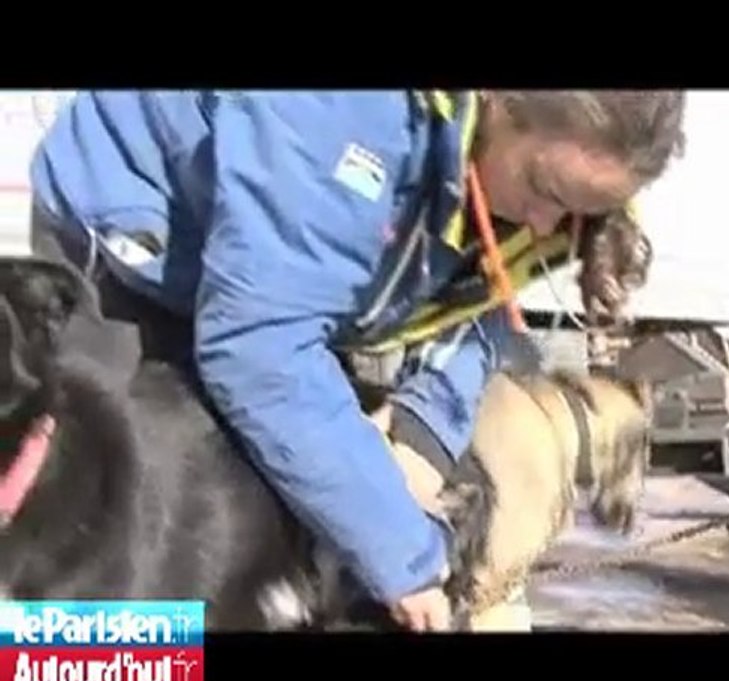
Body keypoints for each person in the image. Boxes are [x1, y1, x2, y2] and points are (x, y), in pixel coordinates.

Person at [26, 90, 686, 631]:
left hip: (276, 291)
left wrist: (420, 446)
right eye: (544, 191)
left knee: (288, 549)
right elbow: (261, 352)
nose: (546, 225)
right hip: (136, 258)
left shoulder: (548, 182)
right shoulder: (341, 114)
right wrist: (403, 552)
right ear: (494, 103)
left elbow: (479, 301)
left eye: (577, 213)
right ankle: (59, 660)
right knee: (115, 571)